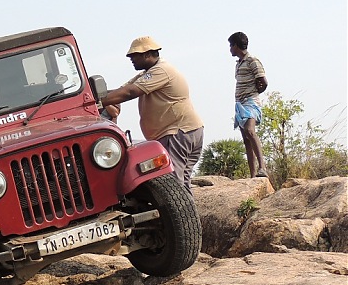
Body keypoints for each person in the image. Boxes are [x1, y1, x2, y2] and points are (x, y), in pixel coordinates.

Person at [100, 36, 204, 192]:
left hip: (176, 132)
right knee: (182, 187)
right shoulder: (148, 73)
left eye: (134, 55)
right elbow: (122, 89)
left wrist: (99, 102)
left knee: (173, 186)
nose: (131, 59)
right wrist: (94, 97)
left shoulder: (161, 70)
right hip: (186, 131)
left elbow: (130, 92)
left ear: (147, 54)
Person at [228, 31, 269, 178]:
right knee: (246, 139)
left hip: (251, 101)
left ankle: (262, 168)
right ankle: (253, 174)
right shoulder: (239, 63)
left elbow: (263, 81)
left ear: (236, 45)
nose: (230, 49)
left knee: (250, 131)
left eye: (231, 46)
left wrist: (256, 91)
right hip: (240, 104)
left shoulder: (252, 60)